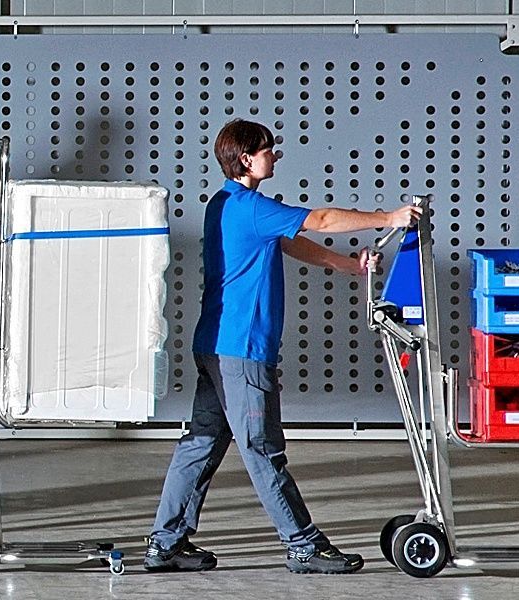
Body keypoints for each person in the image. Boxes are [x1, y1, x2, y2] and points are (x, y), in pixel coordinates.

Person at [144, 118, 420, 575]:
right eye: (269, 149)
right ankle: (303, 545)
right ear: (248, 159)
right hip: (243, 351)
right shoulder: (251, 206)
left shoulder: (225, 204)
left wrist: (348, 266)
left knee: (201, 443)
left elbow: (291, 242)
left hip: (215, 344)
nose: (275, 155)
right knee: (262, 448)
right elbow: (322, 221)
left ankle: (165, 543)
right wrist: (389, 218)